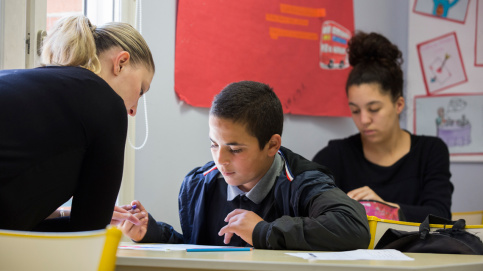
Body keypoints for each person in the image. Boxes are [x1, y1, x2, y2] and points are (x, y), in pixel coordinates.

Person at [111, 81, 370, 251]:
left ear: (272, 145)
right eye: (214, 144)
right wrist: (150, 233)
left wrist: (262, 232)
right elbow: (196, 251)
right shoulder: (197, 185)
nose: (220, 160)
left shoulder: (302, 181)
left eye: (235, 149)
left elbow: (353, 227)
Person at [0, 15, 155, 231]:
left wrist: (76, 213)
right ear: (121, 62)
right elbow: (86, 235)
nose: (133, 110)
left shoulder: (17, 80)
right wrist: (100, 219)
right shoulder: (107, 104)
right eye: (141, 90)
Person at [312, 31, 453, 223]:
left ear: (398, 104)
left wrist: (383, 209)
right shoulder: (335, 156)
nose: (364, 120)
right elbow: (307, 207)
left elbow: (440, 215)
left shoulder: (430, 151)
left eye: (374, 109)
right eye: (355, 110)